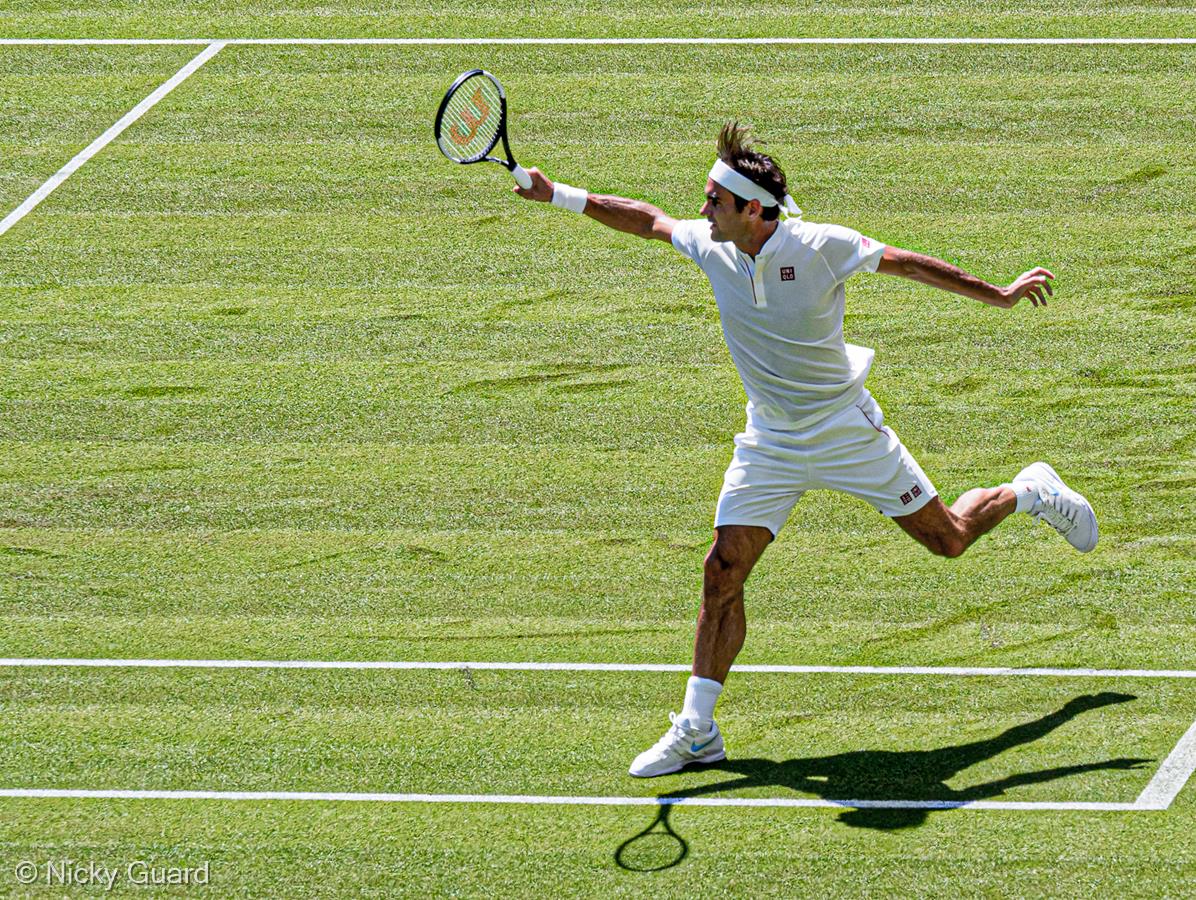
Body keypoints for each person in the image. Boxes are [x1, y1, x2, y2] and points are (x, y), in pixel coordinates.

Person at [513, 122, 1097, 778]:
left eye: (714, 201)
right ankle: (698, 730)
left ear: (752, 210)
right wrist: (555, 193)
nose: (702, 209)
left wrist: (997, 292)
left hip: (845, 429)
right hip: (771, 440)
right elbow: (646, 219)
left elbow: (908, 263)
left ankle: (1032, 491)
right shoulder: (714, 248)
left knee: (950, 539)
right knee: (722, 570)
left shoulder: (820, 245)